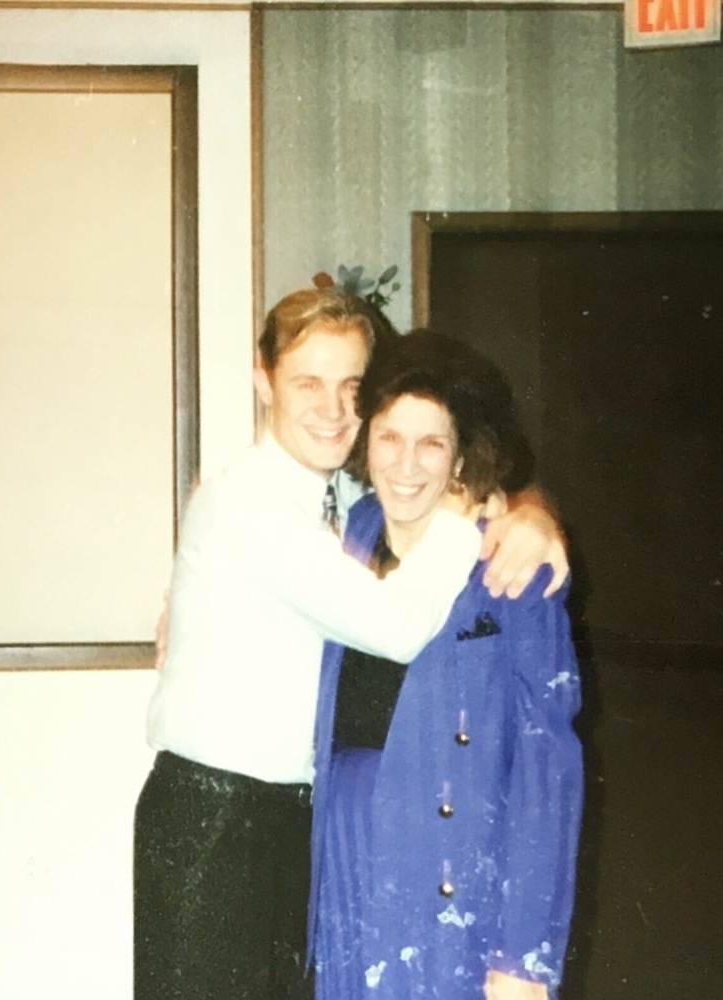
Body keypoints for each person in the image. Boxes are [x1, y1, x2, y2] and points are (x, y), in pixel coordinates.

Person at [135, 289, 568, 1000]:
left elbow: (451, 462)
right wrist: (462, 510)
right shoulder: (249, 503)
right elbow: (393, 627)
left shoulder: (343, 498)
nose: (334, 409)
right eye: (308, 383)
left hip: (294, 825)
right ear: (263, 380)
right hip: (216, 820)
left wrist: (529, 510)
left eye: (351, 387)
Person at [309, 329, 583, 1000]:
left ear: (462, 455)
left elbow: (547, 773)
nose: (407, 465)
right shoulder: (347, 539)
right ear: (366, 443)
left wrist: (525, 959)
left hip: (448, 871)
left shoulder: (510, 563)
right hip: (344, 857)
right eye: (389, 438)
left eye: (431, 443)